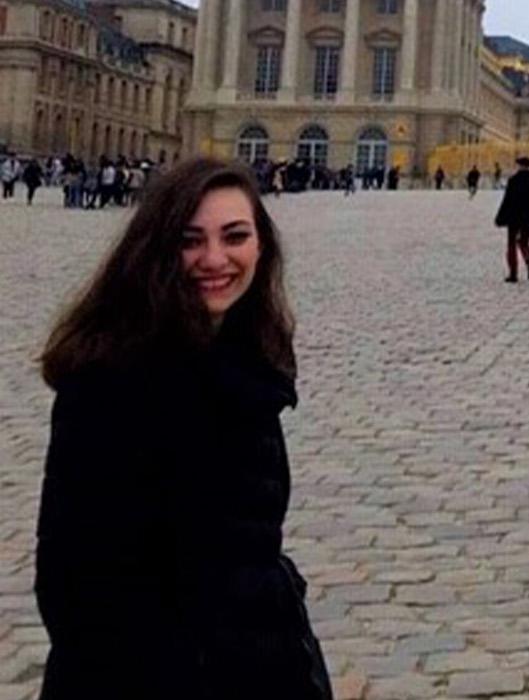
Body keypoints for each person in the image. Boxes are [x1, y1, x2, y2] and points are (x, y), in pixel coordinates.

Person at [35, 158, 332, 700]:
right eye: (191, 240)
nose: (215, 259)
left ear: (261, 245)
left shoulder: (248, 358)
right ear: (157, 249)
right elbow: (74, 587)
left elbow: (250, 542)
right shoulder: (114, 378)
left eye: (234, 236)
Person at [495, 157, 529, 283]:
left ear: (519, 165)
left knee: (511, 244)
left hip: (513, 217)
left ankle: (513, 274)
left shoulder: (514, 180)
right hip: (528, 218)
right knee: (524, 242)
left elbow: (507, 201)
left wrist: (500, 217)